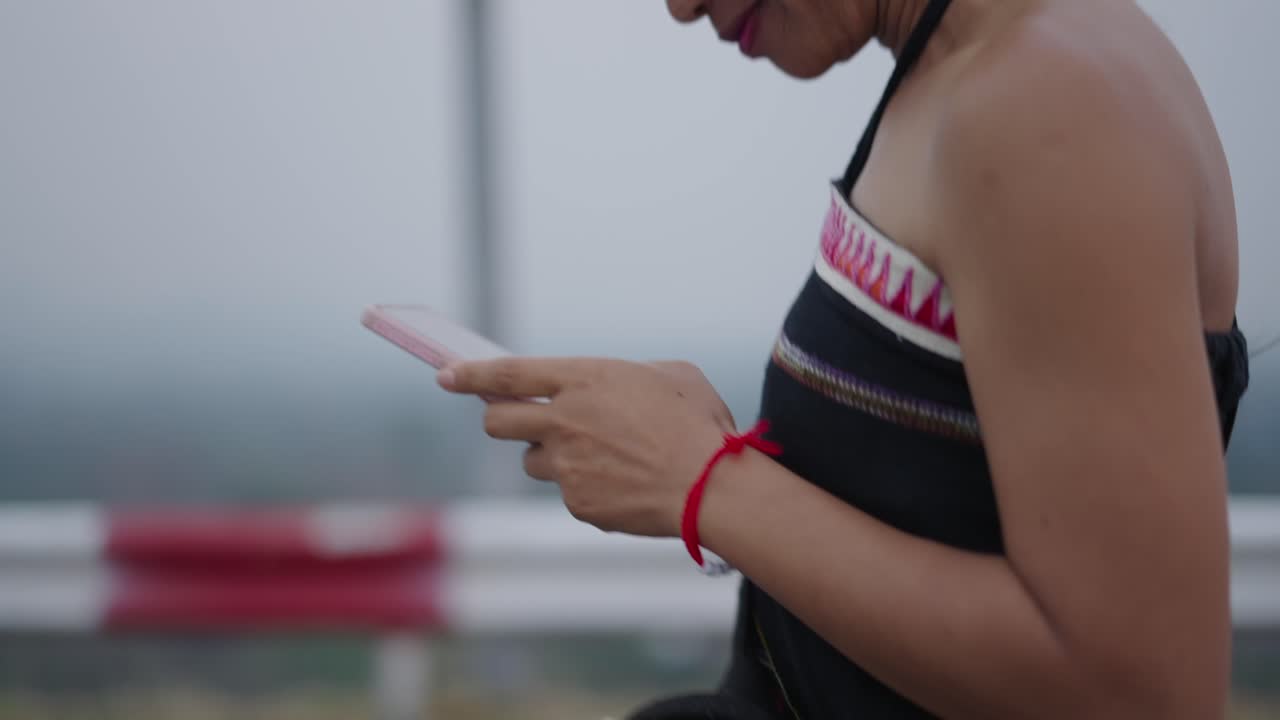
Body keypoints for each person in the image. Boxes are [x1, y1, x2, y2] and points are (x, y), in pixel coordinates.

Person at [437, 0, 1251, 717]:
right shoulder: (959, 70)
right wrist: (706, 443)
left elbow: (1139, 690)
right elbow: (938, 490)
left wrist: (703, 479)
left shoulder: (1046, 98)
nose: (681, 9)